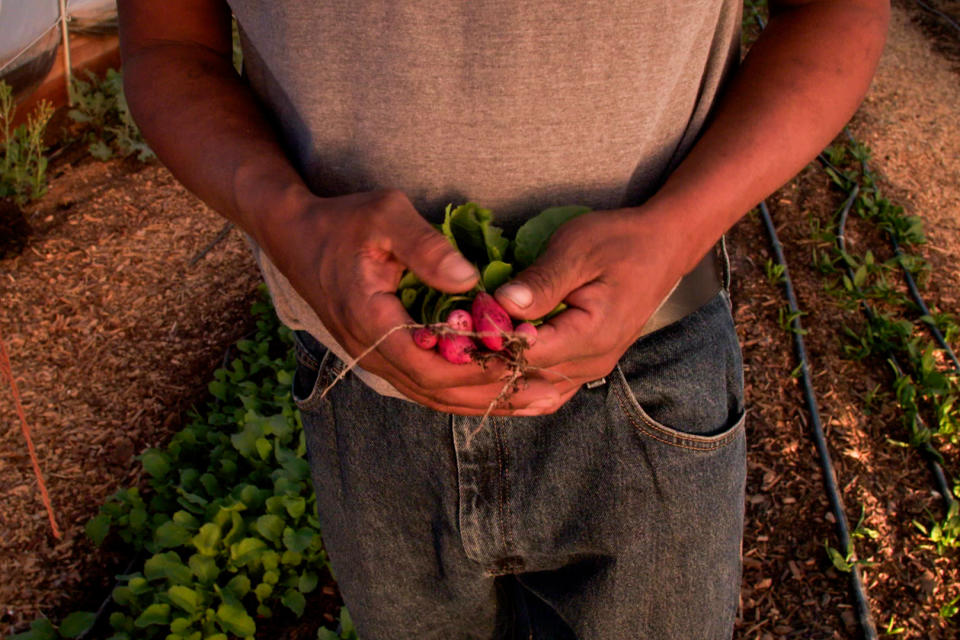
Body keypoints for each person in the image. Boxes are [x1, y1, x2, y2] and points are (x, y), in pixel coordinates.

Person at [117, 1, 889, 637]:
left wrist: (679, 228)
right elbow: (167, 43)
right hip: (365, 384)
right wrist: (284, 217)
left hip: (648, 376)